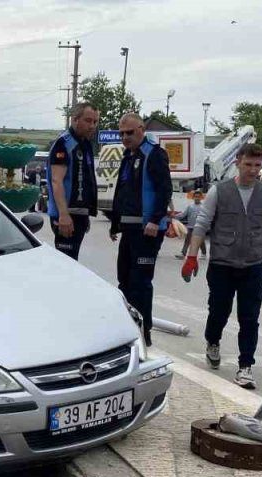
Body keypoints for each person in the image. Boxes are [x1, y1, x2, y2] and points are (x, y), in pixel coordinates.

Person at [181, 143, 262, 389]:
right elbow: (202, 224)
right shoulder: (220, 191)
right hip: (221, 264)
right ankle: (213, 341)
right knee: (219, 311)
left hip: (252, 265)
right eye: (248, 164)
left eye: (258, 165)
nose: (253, 170)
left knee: (250, 318)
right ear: (238, 162)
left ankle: (245, 365)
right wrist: (191, 257)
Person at [108, 112, 172, 345]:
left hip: (148, 230)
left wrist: (155, 219)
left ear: (142, 130)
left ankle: (144, 332)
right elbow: (122, 191)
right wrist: (115, 223)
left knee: (140, 282)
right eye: (122, 133)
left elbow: (164, 189)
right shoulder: (127, 156)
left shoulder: (154, 154)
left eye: (130, 133)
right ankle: (128, 328)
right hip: (129, 228)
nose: (125, 137)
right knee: (123, 279)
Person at [45, 102, 99, 261]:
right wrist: (63, 215)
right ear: (75, 120)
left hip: (79, 215)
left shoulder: (85, 144)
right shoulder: (64, 144)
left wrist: (85, 213)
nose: (92, 126)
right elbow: (57, 181)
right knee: (65, 264)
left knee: (72, 261)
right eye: (88, 121)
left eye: (95, 122)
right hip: (66, 217)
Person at [174, 190, 207, 259]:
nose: (197, 198)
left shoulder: (203, 207)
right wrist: (175, 216)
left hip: (200, 227)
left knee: (201, 241)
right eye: (195, 196)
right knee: (187, 240)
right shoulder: (190, 207)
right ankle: (183, 254)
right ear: (193, 197)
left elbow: (206, 217)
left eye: (198, 197)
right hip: (191, 227)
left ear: (201, 198)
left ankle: (204, 254)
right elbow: (183, 215)